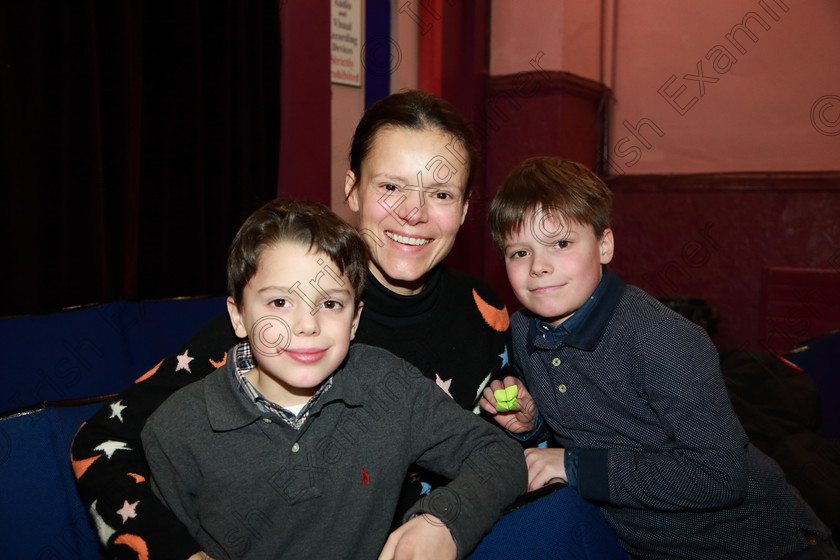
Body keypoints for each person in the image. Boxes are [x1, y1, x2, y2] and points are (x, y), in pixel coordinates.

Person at [71, 90, 519, 560]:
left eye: (441, 193)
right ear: (352, 189)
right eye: (391, 186)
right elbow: (103, 441)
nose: (414, 212)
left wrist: (450, 515)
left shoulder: (484, 308)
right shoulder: (282, 324)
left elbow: (506, 444)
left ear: (466, 209)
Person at [480, 157, 837, 559]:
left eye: (561, 244)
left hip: (762, 547)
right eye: (519, 252)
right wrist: (531, 424)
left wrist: (577, 467)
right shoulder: (526, 330)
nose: (539, 267)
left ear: (604, 245)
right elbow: (583, 431)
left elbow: (719, 477)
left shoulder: (661, 339)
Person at [140, 199, 526, 560]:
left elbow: (500, 457)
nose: (307, 325)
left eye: (329, 304)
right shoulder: (177, 429)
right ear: (238, 316)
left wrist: (443, 520)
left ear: (355, 320)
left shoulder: (388, 386)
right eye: (279, 302)